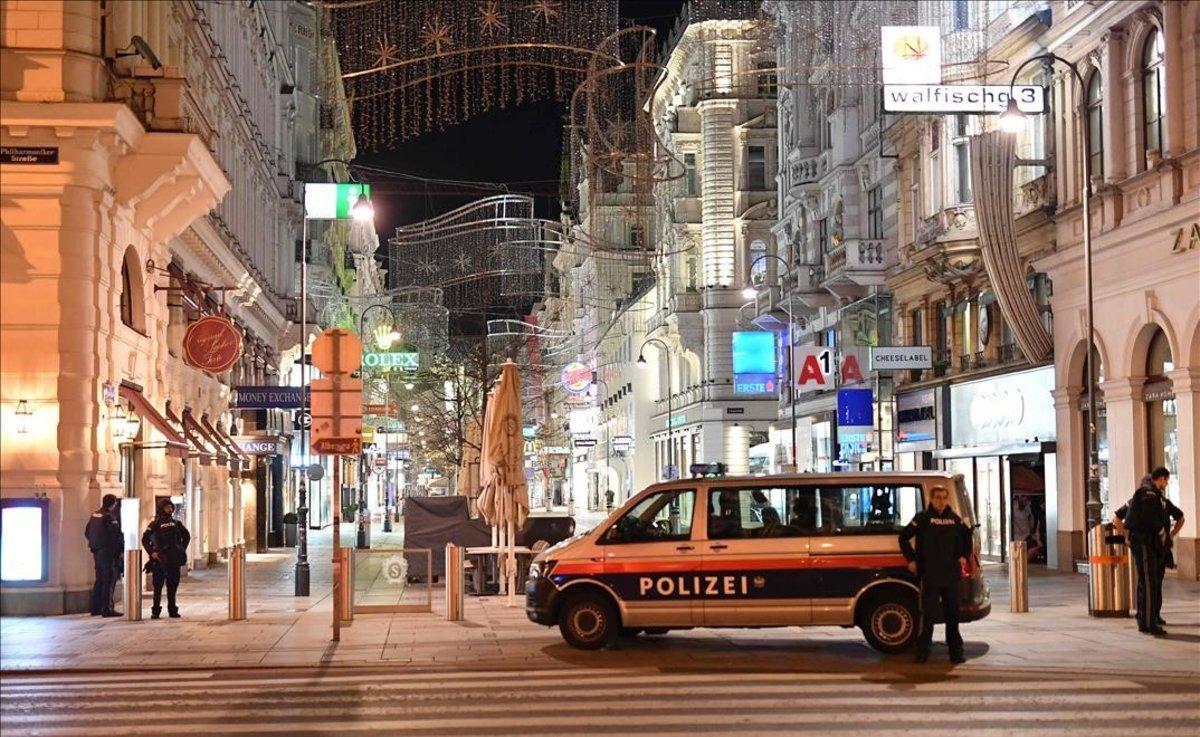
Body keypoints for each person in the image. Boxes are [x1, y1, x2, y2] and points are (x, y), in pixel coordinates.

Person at [899, 485, 972, 664]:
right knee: (928, 616)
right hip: (930, 575)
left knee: (952, 616)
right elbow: (903, 537)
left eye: (944, 497)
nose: (941, 501)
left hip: (950, 576)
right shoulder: (923, 518)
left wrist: (963, 555)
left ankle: (955, 652)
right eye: (937, 497)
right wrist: (911, 560)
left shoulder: (954, 519)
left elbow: (967, 536)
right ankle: (923, 651)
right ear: (931, 499)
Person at [1113, 467, 1184, 636]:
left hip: (1149, 545)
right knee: (1149, 583)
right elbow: (1149, 521)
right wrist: (1162, 534)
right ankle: (1149, 622)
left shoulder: (1154, 497)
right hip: (1146, 544)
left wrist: (1128, 535)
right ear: (1159, 479)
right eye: (1165, 480)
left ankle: (1145, 619)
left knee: (1146, 583)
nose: (1166, 484)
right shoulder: (1149, 496)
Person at [141, 499, 191, 619]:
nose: (169, 509)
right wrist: (152, 552)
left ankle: (172, 609)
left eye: (170, 507)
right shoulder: (154, 524)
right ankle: (156, 610)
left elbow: (187, 536)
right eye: (167, 507)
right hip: (160, 559)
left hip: (173, 559)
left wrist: (181, 549)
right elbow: (145, 539)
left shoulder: (176, 523)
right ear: (161, 508)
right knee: (157, 587)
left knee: (172, 586)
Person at [84, 494, 123, 617]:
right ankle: (107, 608)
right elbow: (115, 536)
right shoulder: (109, 517)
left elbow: (87, 532)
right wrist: (119, 551)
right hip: (107, 552)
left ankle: (95, 608)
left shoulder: (95, 515)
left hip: (96, 551)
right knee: (109, 580)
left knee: (99, 579)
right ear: (113, 503)